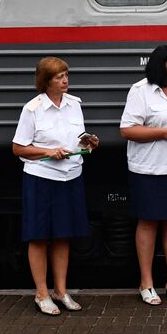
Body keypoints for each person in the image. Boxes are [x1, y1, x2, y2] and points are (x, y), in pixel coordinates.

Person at [12, 57, 99, 316]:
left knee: (63, 234)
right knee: (38, 236)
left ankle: (61, 291)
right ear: (46, 81)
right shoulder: (33, 109)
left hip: (70, 176)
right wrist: (48, 151)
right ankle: (41, 293)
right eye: (59, 77)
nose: (65, 80)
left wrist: (89, 143)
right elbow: (18, 148)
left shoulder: (74, 105)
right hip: (41, 178)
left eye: (66, 75)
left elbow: (79, 139)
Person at [119, 44, 167, 305]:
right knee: (149, 221)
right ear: (159, 66)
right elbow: (128, 129)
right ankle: (146, 282)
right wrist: (163, 133)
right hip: (149, 167)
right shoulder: (140, 90)